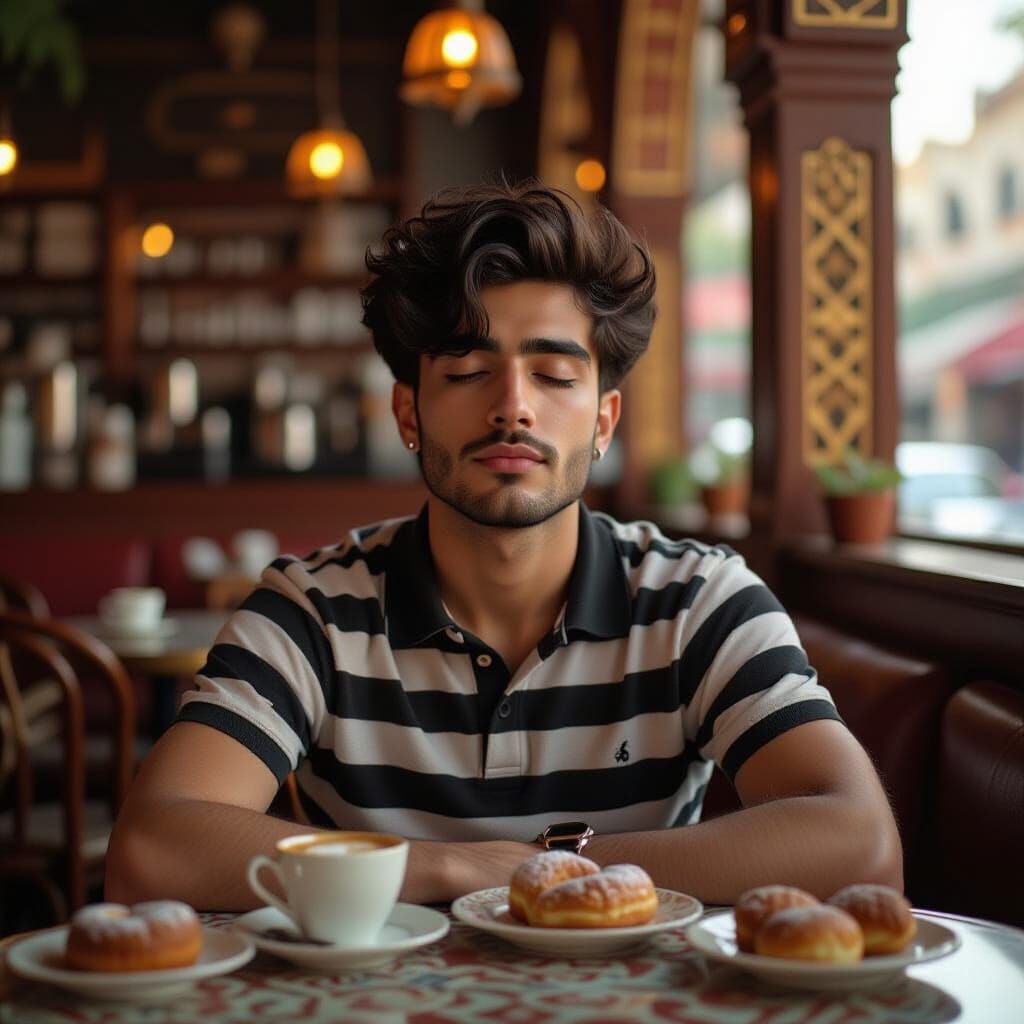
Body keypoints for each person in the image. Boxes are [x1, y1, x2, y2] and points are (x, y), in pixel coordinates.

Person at [107, 182, 902, 910]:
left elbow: (858, 843)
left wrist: (554, 864)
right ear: (409, 415)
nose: (513, 407)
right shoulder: (314, 609)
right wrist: (449, 870)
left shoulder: (697, 601)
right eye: (467, 372)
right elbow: (152, 848)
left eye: (555, 374)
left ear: (602, 421)